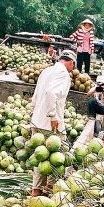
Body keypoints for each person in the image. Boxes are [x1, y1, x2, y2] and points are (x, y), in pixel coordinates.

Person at [29, 50, 76, 196]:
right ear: (70, 62)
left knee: (41, 157)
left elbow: (36, 95)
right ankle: (51, 189)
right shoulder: (63, 74)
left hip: (37, 120)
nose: (73, 68)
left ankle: (36, 190)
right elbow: (51, 93)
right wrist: (53, 115)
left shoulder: (46, 71)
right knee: (59, 155)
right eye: (73, 65)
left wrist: (33, 112)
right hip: (51, 123)